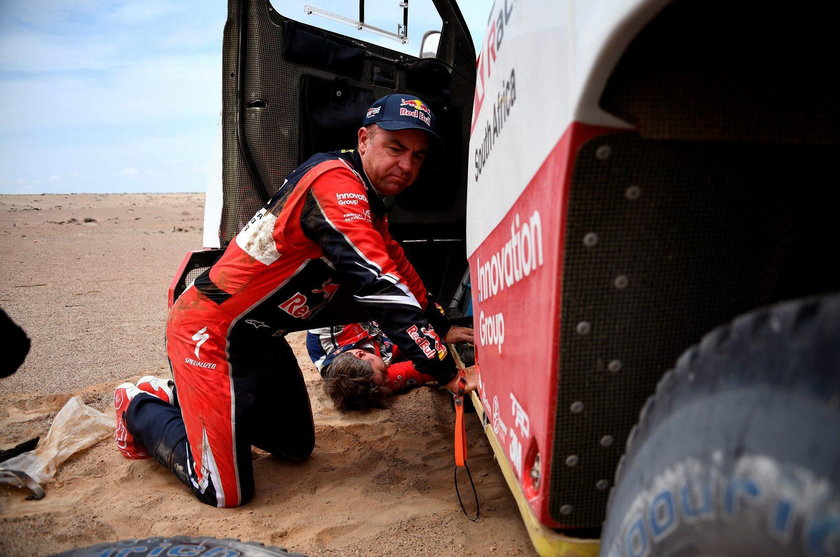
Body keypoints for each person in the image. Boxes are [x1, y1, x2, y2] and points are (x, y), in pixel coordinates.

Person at [113, 93, 476, 508]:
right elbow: (378, 282)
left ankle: (196, 402)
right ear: (363, 140)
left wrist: (442, 324)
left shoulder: (369, 201)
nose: (407, 165)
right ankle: (140, 402)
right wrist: (445, 369)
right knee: (222, 492)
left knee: (294, 447)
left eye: (418, 155)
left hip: (259, 338)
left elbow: (398, 266)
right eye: (395, 148)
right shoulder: (334, 183)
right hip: (208, 330)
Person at [308, 321, 472, 410]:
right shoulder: (368, 380)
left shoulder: (326, 331)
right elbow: (429, 370)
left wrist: (442, 329)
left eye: (384, 372)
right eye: (385, 375)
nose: (387, 375)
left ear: (361, 354)